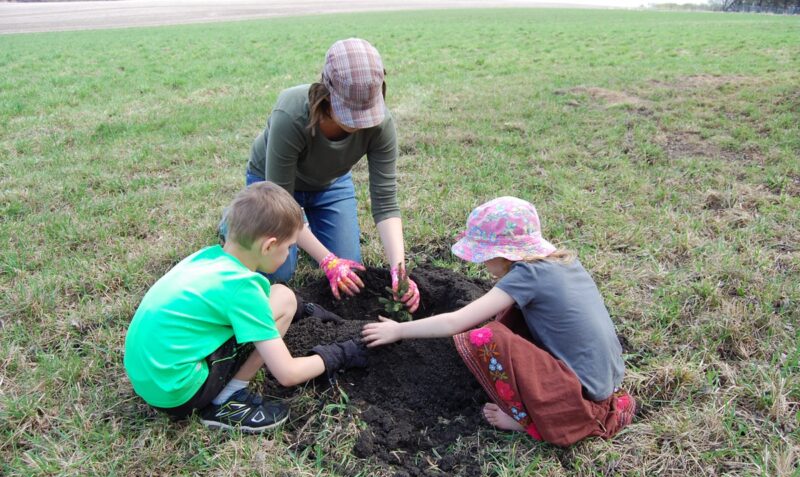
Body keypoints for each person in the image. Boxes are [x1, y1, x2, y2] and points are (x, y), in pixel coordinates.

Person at [362, 197, 636, 447]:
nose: (482, 264)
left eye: (483, 256)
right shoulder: (561, 263)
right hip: (606, 381)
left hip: (580, 395)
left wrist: (398, 329)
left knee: (484, 337)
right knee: (509, 313)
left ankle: (528, 418)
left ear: (501, 253)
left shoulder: (526, 275)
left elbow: (455, 322)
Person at [125, 182, 368, 433]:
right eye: (289, 247)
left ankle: (296, 312)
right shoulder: (243, 289)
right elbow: (288, 373)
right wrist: (344, 352)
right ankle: (228, 402)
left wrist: (303, 309)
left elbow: (268, 298)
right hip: (178, 392)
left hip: (149, 376)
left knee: (283, 297)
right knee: (281, 304)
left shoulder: (209, 258)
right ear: (268, 246)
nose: (289, 254)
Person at [241, 37, 419, 313]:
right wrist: (326, 260)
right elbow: (280, 203)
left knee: (349, 266)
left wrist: (399, 269)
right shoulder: (290, 113)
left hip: (328, 186)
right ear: (328, 92)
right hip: (272, 189)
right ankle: (238, 222)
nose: (358, 123)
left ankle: (304, 233)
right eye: (350, 112)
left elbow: (385, 201)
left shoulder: (381, 124)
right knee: (278, 272)